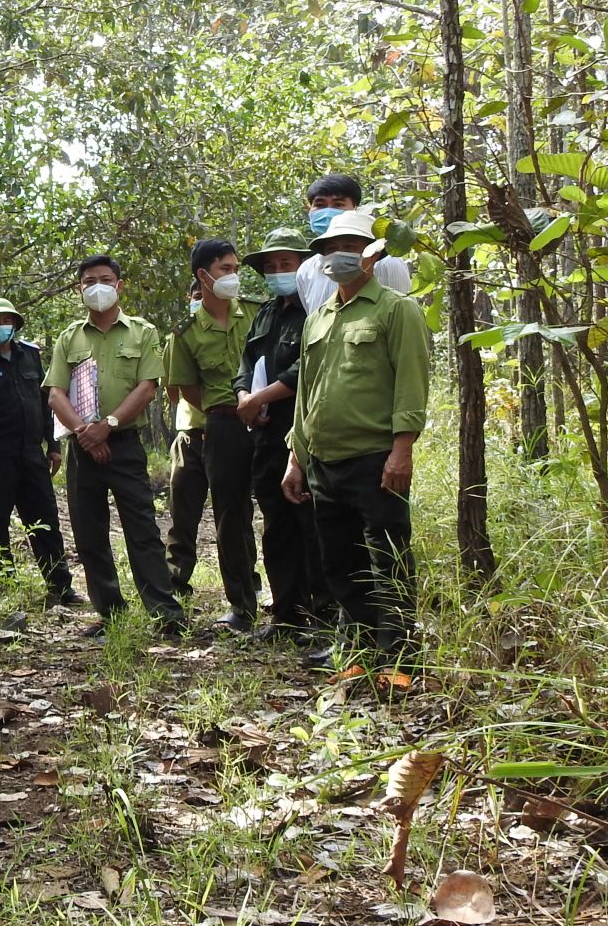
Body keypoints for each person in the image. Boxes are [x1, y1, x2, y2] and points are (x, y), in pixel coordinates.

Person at [282, 212, 432, 672]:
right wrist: (296, 456)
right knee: (340, 562)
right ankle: (358, 648)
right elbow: (307, 391)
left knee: (388, 557)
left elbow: (411, 382)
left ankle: (400, 655)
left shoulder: (396, 309)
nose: (339, 254)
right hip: (324, 463)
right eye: (331, 247)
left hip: (375, 459)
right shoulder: (319, 317)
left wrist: (402, 449)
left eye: (351, 244)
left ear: (372, 254)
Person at [44, 255, 184, 637]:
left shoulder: (142, 332)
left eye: (106, 279)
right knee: (89, 533)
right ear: (80, 289)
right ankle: (110, 613)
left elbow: (147, 388)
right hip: (81, 449)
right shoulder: (69, 337)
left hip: (124, 444)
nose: (98, 286)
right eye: (90, 280)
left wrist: (107, 426)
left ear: (120, 285)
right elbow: (55, 394)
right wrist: (85, 434)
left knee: (142, 530)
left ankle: (165, 614)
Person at [234, 227, 327, 643]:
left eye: (285, 264)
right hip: (266, 439)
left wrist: (261, 398)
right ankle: (286, 616)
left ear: (302, 265)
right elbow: (247, 362)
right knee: (275, 526)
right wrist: (244, 397)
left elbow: (307, 369)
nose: (277, 272)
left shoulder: (316, 308)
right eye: (270, 267)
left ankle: (323, 619)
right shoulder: (266, 313)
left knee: (312, 525)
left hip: (305, 433)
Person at [0, 297, 78, 606]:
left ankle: (60, 587)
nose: (0, 326)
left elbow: (44, 402)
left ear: (15, 324)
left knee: (45, 520)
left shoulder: (31, 356)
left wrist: (52, 446)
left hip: (31, 453)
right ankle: (5, 587)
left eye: (5, 320)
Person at [165, 240, 259, 631]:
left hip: (273, 421)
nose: (233, 275)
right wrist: (228, 413)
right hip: (222, 424)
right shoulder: (184, 334)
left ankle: (300, 600)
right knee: (231, 516)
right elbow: (185, 390)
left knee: (286, 510)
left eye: (236, 267)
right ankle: (242, 604)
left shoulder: (257, 312)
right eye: (225, 268)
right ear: (203, 276)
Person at [295, 173, 413, 314]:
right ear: (309, 210)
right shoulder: (306, 271)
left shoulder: (386, 262)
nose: (327, 212)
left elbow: (403, 315)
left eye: (338, 204)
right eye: (320, 205)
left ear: (355, 208)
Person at [162, 283, 209, 605]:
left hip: (231, 433)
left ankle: (248, 581)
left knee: (235, 515)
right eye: (196, 297)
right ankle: (176, 581)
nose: (201, 302)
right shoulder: (178, 338)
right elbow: (172, 390)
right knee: (182, 515)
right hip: (190, 436)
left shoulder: (238, 330)